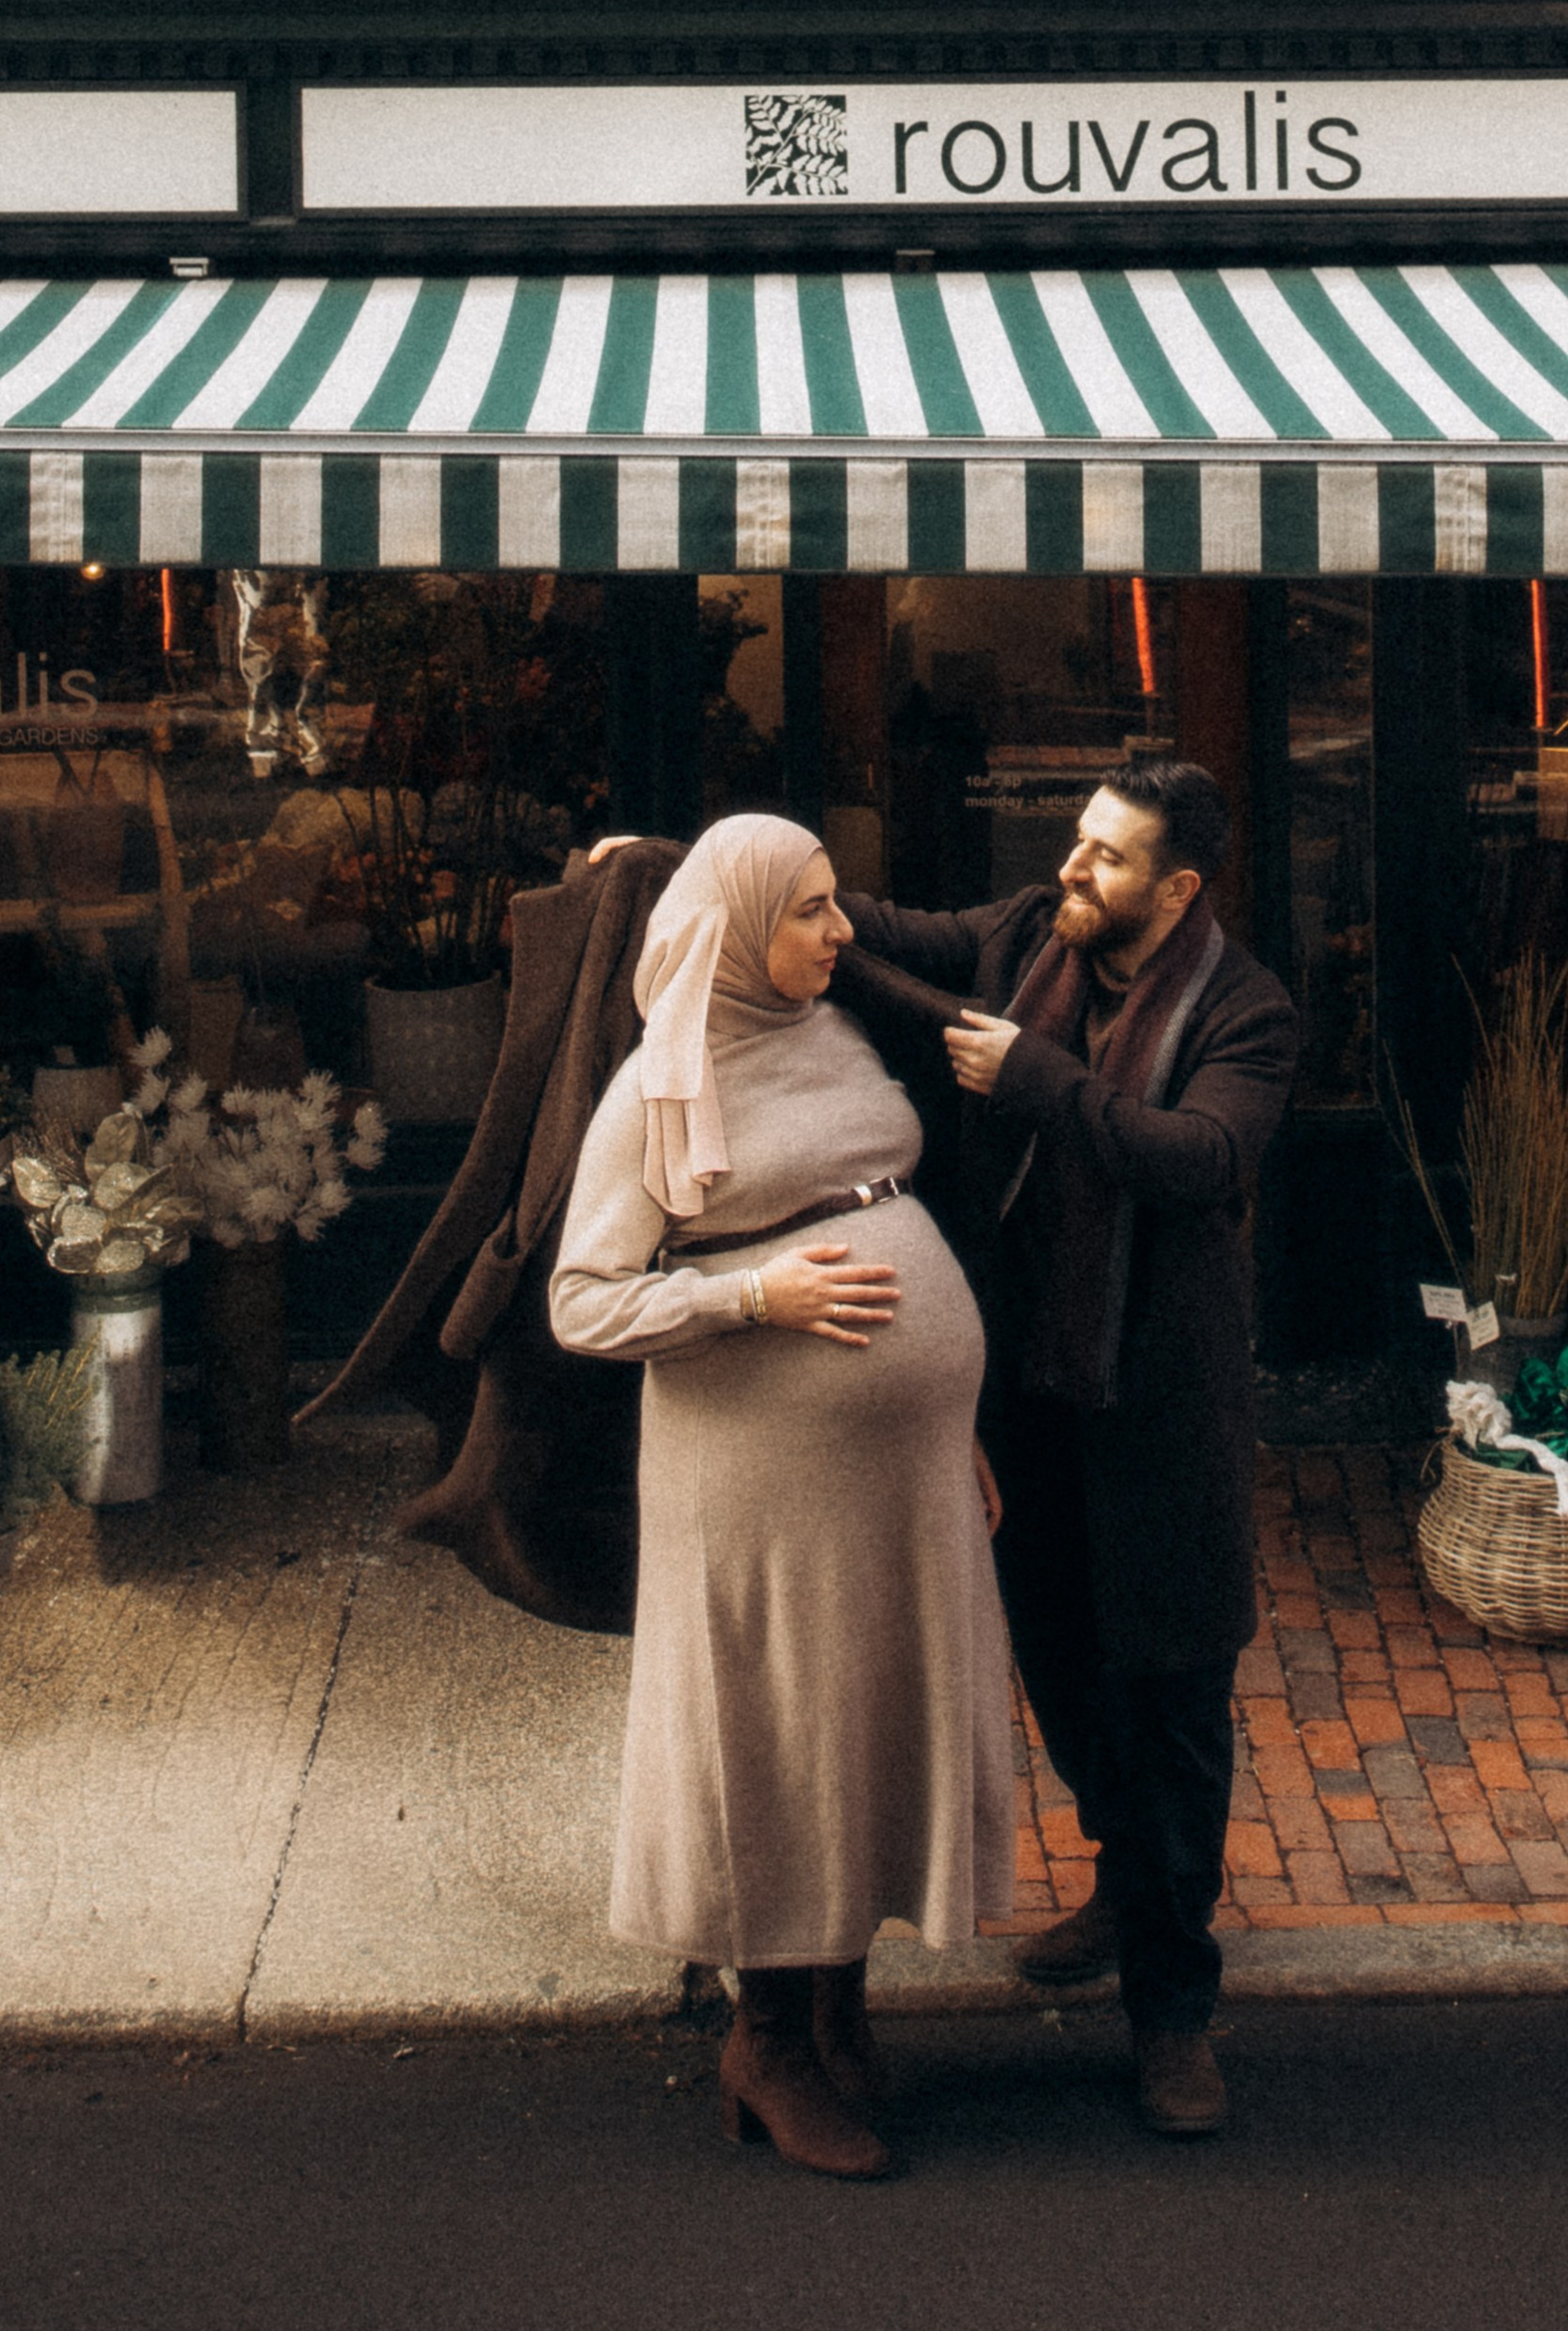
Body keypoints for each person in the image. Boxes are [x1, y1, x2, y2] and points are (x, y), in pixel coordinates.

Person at [550, 813, 1015, 2182]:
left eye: (832, 903)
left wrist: (952, 1422)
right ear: (742, 927)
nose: (839, 930)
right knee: (782, 1727)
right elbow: (583, 1301)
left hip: (896, 1468)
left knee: (863, 1715)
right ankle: (767, 2043)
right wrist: (758, 1290)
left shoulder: (833, 1030)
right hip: (755, 1479)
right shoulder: (659, 1087)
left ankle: (838, 2007)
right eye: (808, 910)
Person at [837, 759, 1298, 2142]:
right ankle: (1123, 1875)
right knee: (1058, 1657)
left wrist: (1037, 1079)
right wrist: (690, 860)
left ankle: (1173, 2011)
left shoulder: (1247, 1010)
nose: (1072, 868)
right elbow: (881, 929)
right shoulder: (1029, 931)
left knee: (1172, 1701)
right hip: (1024, 1396)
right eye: (1077, 841)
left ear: (1180, 887)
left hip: (1160, 1411)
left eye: (1106, 856)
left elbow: (1198, 1157)